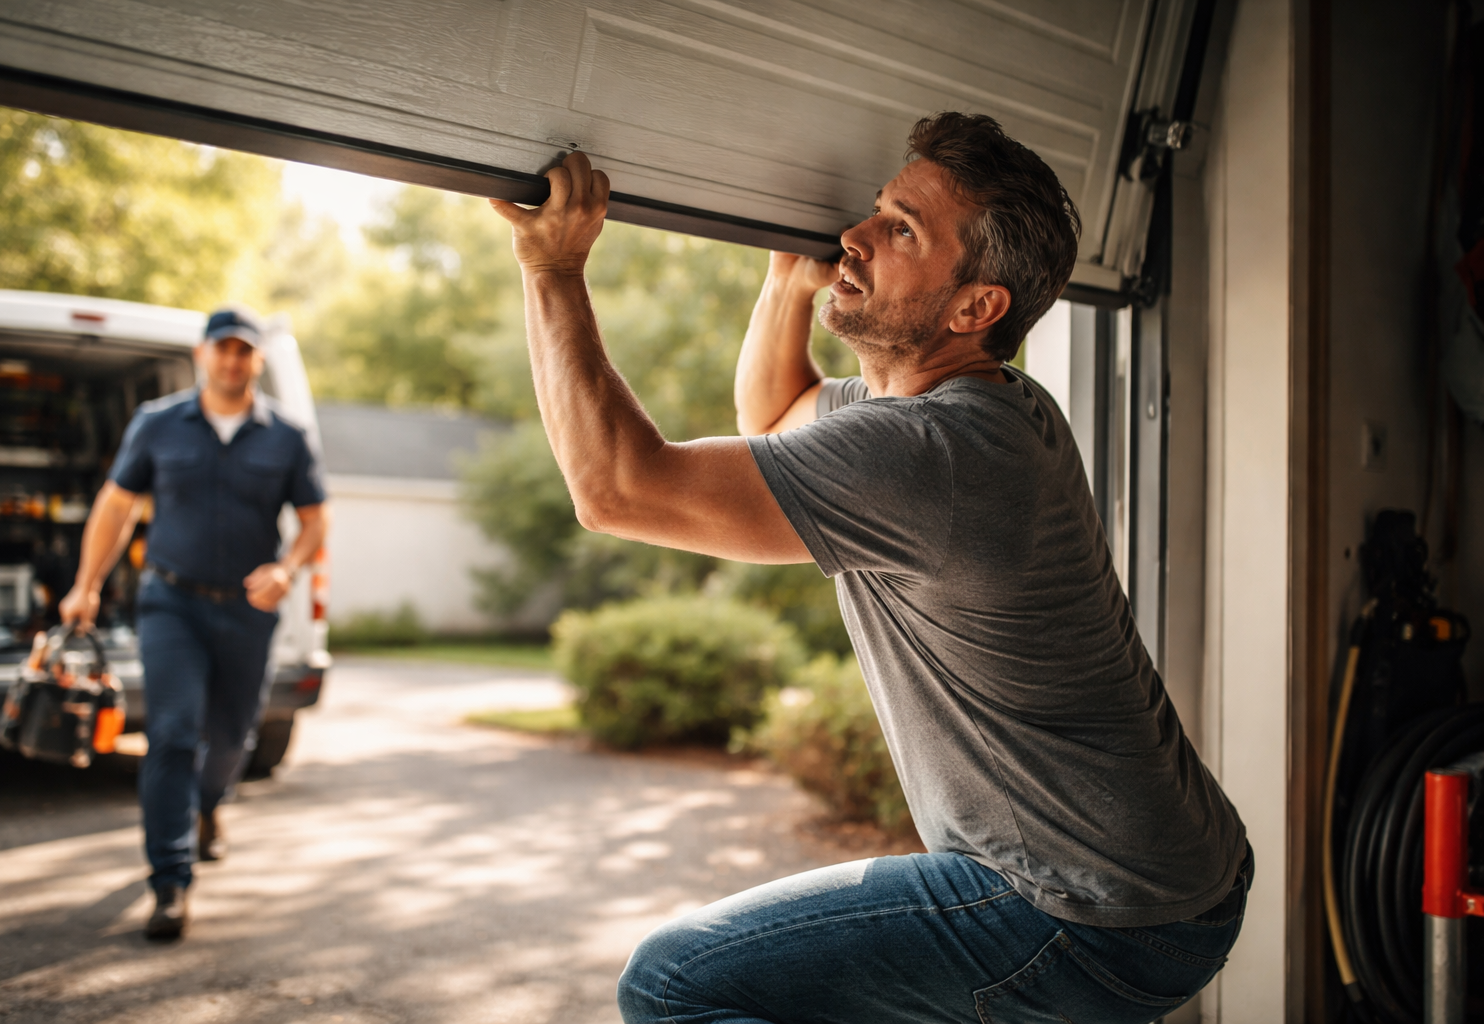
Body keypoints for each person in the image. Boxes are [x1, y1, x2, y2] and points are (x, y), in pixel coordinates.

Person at [490, 112, 1248, 1023]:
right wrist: (785, 278)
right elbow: (777, 413)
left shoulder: (930, 453)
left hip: (1085, 914)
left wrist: (553, 268)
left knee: (674, 982)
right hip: (1180, 870)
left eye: (901, 231)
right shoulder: (988, 403)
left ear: (975, 308)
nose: (853, 235)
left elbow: (616, 489)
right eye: (878, 210)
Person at [59, 306, 328, 941]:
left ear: (256, 360)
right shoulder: (156, 425)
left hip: (247, 610)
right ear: (202, 354)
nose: (233, 360)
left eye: (244, 351)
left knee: (233, 737)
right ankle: (170, 881)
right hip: (171, 603)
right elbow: (117, 505)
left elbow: (316, 518)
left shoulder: (286, 438)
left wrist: (289, 567)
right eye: (222, 349)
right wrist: (85, 585)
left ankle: (209, 806)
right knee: (173, 734)